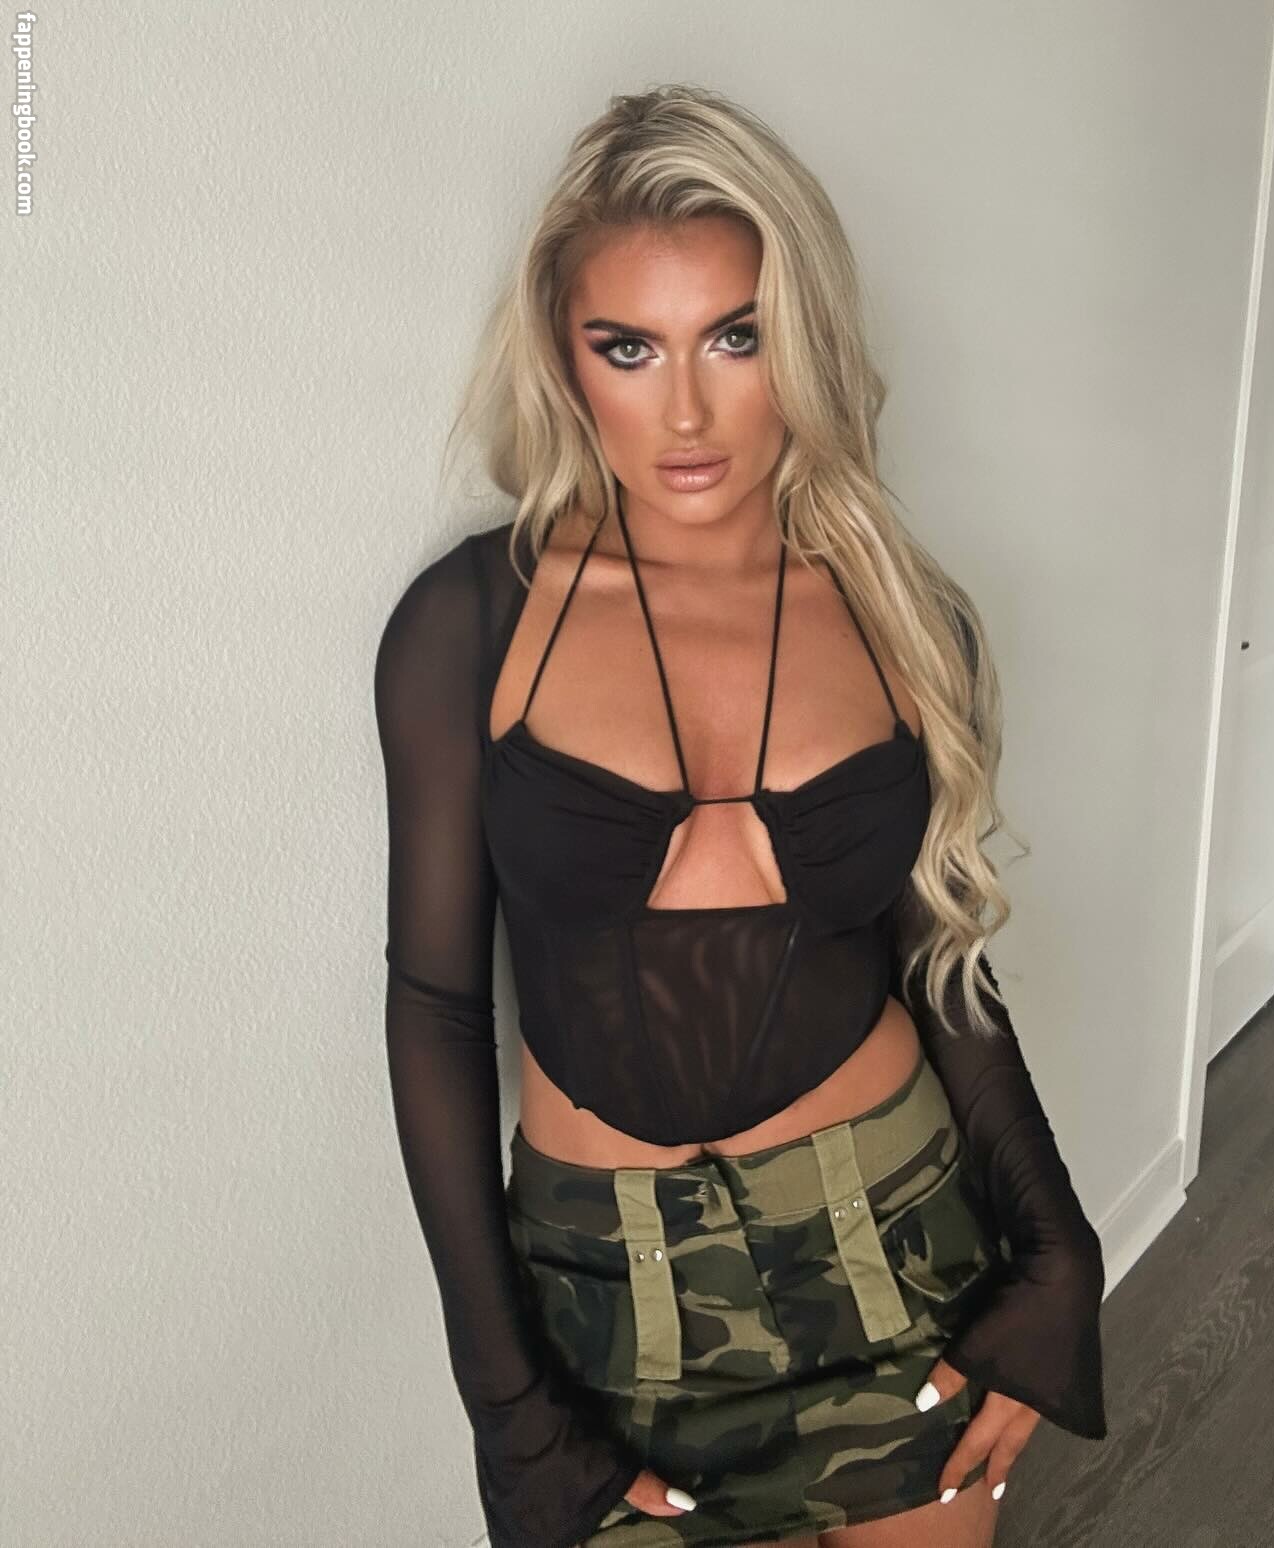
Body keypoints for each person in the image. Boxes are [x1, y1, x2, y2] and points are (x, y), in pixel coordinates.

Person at [374, 85, 1107, 1548]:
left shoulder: (908, 616)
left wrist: (1060, 1252)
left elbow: (939, 959)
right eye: (629, 347)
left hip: (901, 1244)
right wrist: (508, 1406)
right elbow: (437, 1012)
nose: (687, 412)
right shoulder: (473, 622)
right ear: (565, 357)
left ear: (805, 341)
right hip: (612, 1302)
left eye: (736, 336)